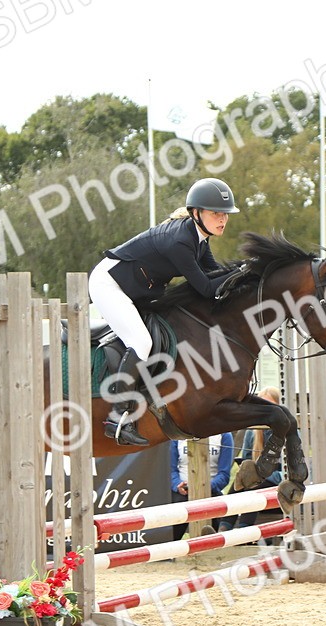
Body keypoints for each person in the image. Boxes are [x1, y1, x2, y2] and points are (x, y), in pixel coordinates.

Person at [89, 177, 239, 446]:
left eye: (225, 214)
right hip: (109, 284)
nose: (222, 220)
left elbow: (216, 273)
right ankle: (117, 415)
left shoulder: (199, 239)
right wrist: (241, 273)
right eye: (216, 213)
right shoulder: (180, 241)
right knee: (141, 341)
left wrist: (243, 273)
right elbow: (206, 287)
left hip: (133, 288)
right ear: (196, 213)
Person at [216, 388, 282, 535]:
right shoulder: (253, 432)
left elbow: (285, 473)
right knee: (236, 485)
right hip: (257, 478)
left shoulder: (286, 432)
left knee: (252, 486)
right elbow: (246, 458)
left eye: (270, 404)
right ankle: (223, 528)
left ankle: (243, 531)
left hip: (278, 485)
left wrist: (259, 476)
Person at [169, 432, 234, 540]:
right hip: (182, 490)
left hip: (210, 490)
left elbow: (224, 474)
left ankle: (213, 545)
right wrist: (177, 485)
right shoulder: (178, 433)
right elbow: (171, 470)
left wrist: (206, 487)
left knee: (216, 516)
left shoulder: (225, 436)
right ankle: (168, 551)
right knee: (175, 518)